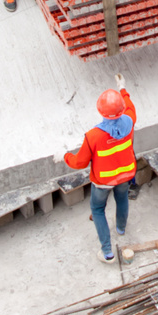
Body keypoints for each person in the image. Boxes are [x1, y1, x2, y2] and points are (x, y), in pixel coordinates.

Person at [63, 76, 137, 264]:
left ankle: (107, 253)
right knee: (122, 198)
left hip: (103, 181)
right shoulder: (129, 122)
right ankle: (120, 228)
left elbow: (79, 162)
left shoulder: (94, 136)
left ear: (100, 111)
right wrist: (122, 89)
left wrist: (64, 157)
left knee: (97, 209)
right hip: (125, 174)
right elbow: (130, 107)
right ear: (121, 110)